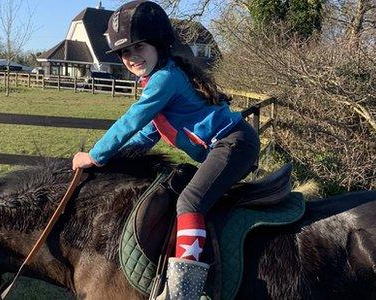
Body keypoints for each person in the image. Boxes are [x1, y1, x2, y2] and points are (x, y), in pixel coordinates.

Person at [71, 1, 259, 298]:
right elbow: (145, 136)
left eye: (139, 47)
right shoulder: (160, 80)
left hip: (234, 143)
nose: (132, 57)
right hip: (222, 147)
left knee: (190, 202)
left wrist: (96, 154)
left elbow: (132, 119)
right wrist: (112, 162)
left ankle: (184, 291)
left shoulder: (164, 79)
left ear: (158, 44)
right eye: (124, 52)